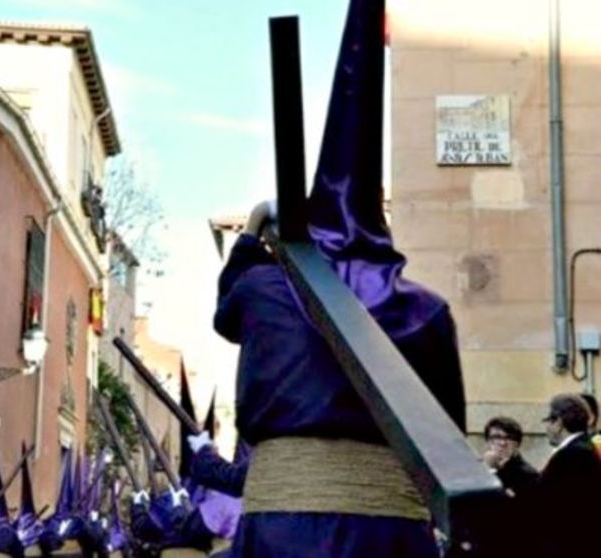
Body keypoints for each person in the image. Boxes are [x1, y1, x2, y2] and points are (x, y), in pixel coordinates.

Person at [215, 1, 466, 555]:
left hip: (285, 532)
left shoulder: (262, 289)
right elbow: (449, 435)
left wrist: (254, 230)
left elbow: (223, 315)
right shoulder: (428, 311)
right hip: (391, 535)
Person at [534, 393, 601, 556]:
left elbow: (548, 502)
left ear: (558, 422)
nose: (547, 428)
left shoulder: (571, 454)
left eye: (548, 421)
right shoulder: (582, 448)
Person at [479, 417, 538, 556]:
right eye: (496, 437)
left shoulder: (527, 474)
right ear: (488, 442)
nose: (502, 443)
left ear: (517, 443)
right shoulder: (481, 470)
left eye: (509, 438)